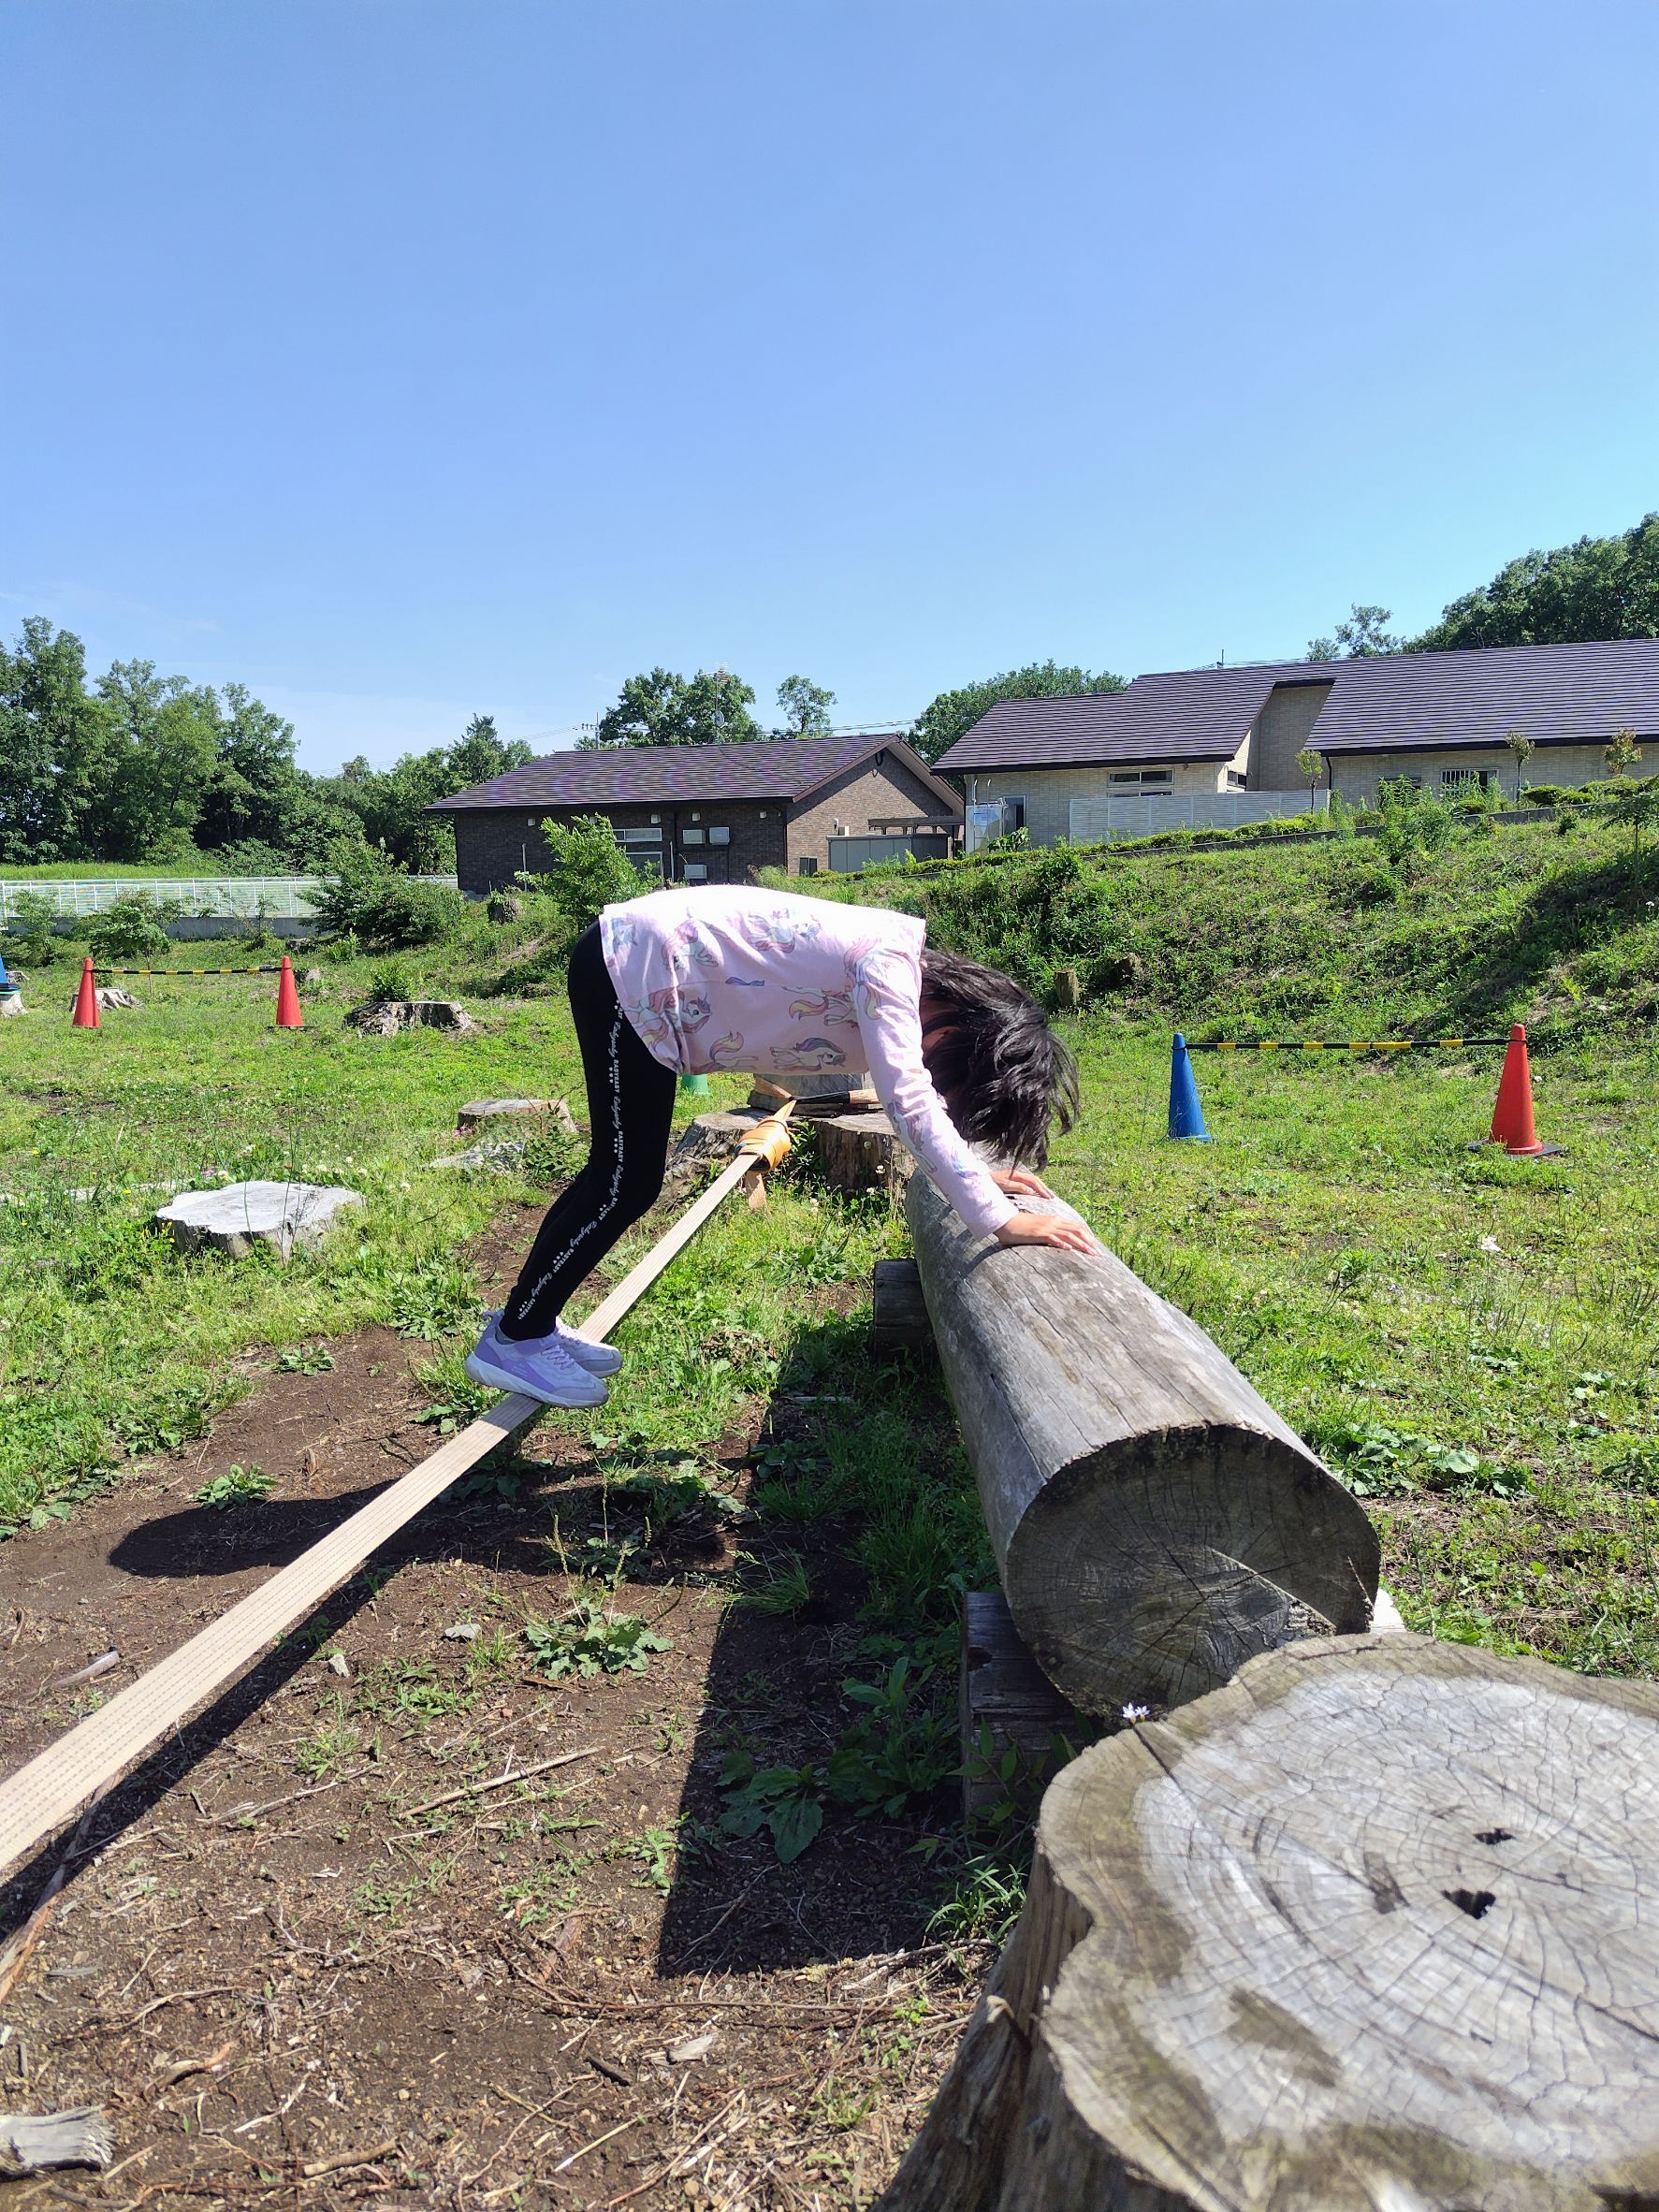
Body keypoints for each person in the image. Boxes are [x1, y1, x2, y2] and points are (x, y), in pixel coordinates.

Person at [466, 884, 1090, 1407]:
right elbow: (910, 1099)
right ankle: (518, 1334)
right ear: (959, 1028)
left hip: (646, 982)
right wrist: (997, 1219)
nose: (942, 1077)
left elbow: (922, 1100)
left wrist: (984, 1177)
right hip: (628, 970)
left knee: (624, 1177)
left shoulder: (900, 969)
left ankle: (533, 1320)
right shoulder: (888, 972)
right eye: (954, 1069)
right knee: (623, 1179)